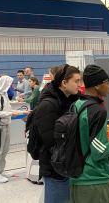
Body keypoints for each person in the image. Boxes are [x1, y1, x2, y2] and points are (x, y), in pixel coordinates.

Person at [70, 65, 109, 203]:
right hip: (93, 181)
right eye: (107, 82)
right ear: (97, 85)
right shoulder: (97, 111)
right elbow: (99, 151)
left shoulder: (78, 104)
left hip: (77, 176)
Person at [36, 64, 81, 203]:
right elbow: (51, 142)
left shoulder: (70, 100)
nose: (79, 85)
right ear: (64, 83)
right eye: (76, 81)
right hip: (56, 167)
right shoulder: (48, 105)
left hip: (67, 164)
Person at [0, 75, 28, 183]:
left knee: (4, 150)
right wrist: (11, 113)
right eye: (9, 83)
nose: (11, 85)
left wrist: (22, 112)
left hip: (6, 125)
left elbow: (9, 109)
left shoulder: (4, 95)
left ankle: (1, 171)